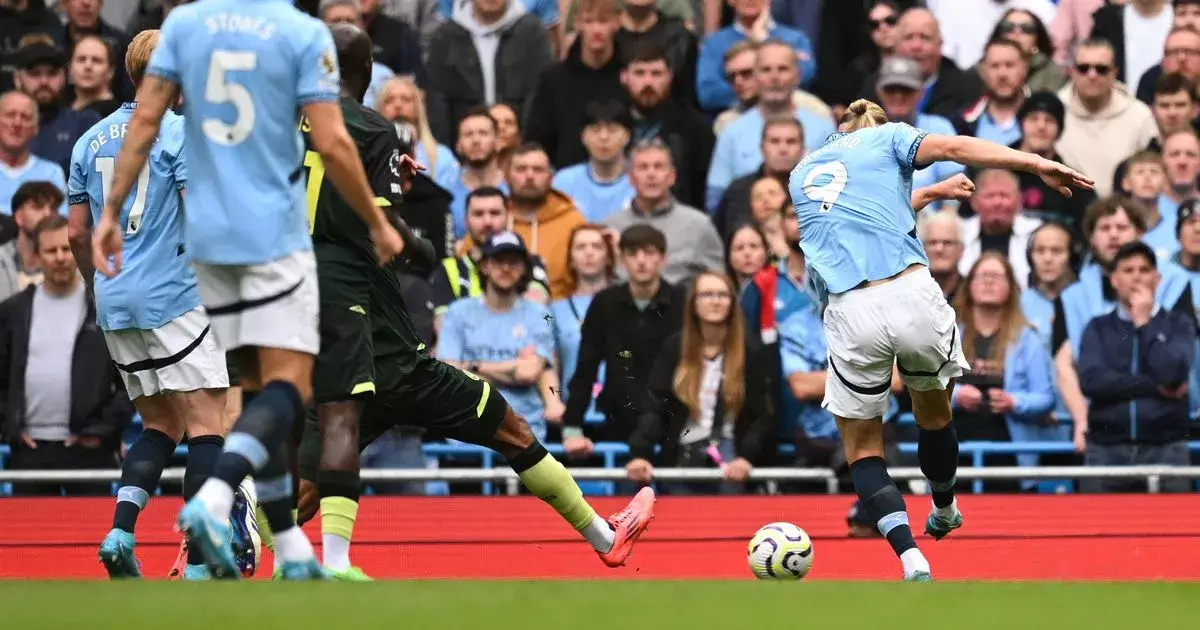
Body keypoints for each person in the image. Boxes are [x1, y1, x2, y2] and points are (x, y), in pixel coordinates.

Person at [92, 0, 405, 580]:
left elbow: (145, 121)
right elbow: (334, 142)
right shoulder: (301, 33)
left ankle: (288, 549)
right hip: (269, 230)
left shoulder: (185, 28)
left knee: (252, 391)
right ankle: (213, 501)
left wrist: (110, 210)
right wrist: (379, 220)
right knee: (286, 387)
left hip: (207, 238)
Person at [789, 98, 1092, 581]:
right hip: (911, 295)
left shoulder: (802, 172)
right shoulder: (890, 138)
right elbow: (957, 144)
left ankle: (911, 557)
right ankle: (945, 505)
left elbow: (866, 213)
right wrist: (1035, 162)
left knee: (864, 449)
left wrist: (928, 194)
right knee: (934, 414)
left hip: (850, 311)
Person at [294, 230, 657, 569]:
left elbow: (537, 369)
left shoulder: (302, 226)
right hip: (405, 371)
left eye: (515, 260)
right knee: (514, 432)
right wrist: (391, 207)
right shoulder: (357, 201)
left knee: (305, 488)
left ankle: (268, 547)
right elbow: (420, 254)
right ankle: (605, 538)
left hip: (351, 373)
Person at [64, 29, 245, 582]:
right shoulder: (180, 134)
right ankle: (198, 560)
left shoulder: (89, 139)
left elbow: (76, 232)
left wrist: (99, 284)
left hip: (114, 300)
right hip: (174, 298)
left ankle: (120, 532)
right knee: (207, 423)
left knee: (160, 424)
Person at [289, 22, 435, 581]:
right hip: (336, 279)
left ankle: (247, 535)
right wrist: (422, 251)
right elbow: (386, 228)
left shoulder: (281, 120)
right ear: (367, 70)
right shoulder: (375, 128)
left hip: (270, 276)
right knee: (340, 415)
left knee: (273, 413)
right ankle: (337, 560)